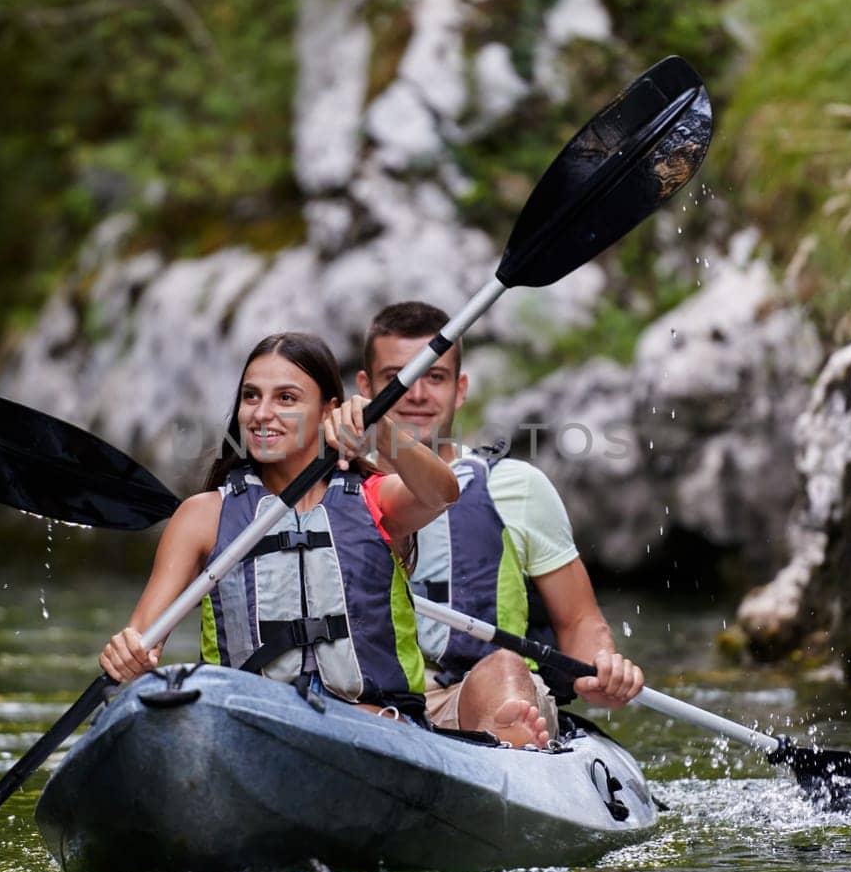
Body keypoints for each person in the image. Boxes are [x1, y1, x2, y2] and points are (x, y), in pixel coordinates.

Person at [99, 332, 459, 719]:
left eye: (285, 398)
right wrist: (129, 653)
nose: (261, 413)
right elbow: (142, 639)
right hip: (249, 723)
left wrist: (385, 434)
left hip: (375, 722)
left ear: (328, 411)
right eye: (251, 396)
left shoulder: (376, 499)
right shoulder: (202, 515)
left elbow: (442, 493)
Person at [357, 302, 644, 749]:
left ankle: (508, 744)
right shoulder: (327, 490)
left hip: (485, 694)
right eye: (400, 378)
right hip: (366, 705)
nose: (416, 394)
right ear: (365, 387)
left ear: (461, 388)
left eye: (435, 377)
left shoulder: (518, 487)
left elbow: (580, 619)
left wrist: (600, 667)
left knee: (505, 670)